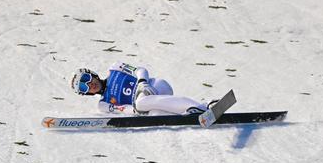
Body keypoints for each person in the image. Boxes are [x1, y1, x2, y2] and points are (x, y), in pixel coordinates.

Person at [70, 62, 216, 115]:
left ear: (92, 74)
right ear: (86, 94)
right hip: (147, 105)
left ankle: (201, 107)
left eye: (86, 79)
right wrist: (134, 110)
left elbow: (139, 69)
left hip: (156, 86)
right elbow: (122, 110)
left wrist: (142, 83)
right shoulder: (103, 104)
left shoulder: (115, 69)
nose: (89, 85)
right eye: (84, 87)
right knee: (154, 114)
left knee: (141, 103)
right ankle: (192, 113)